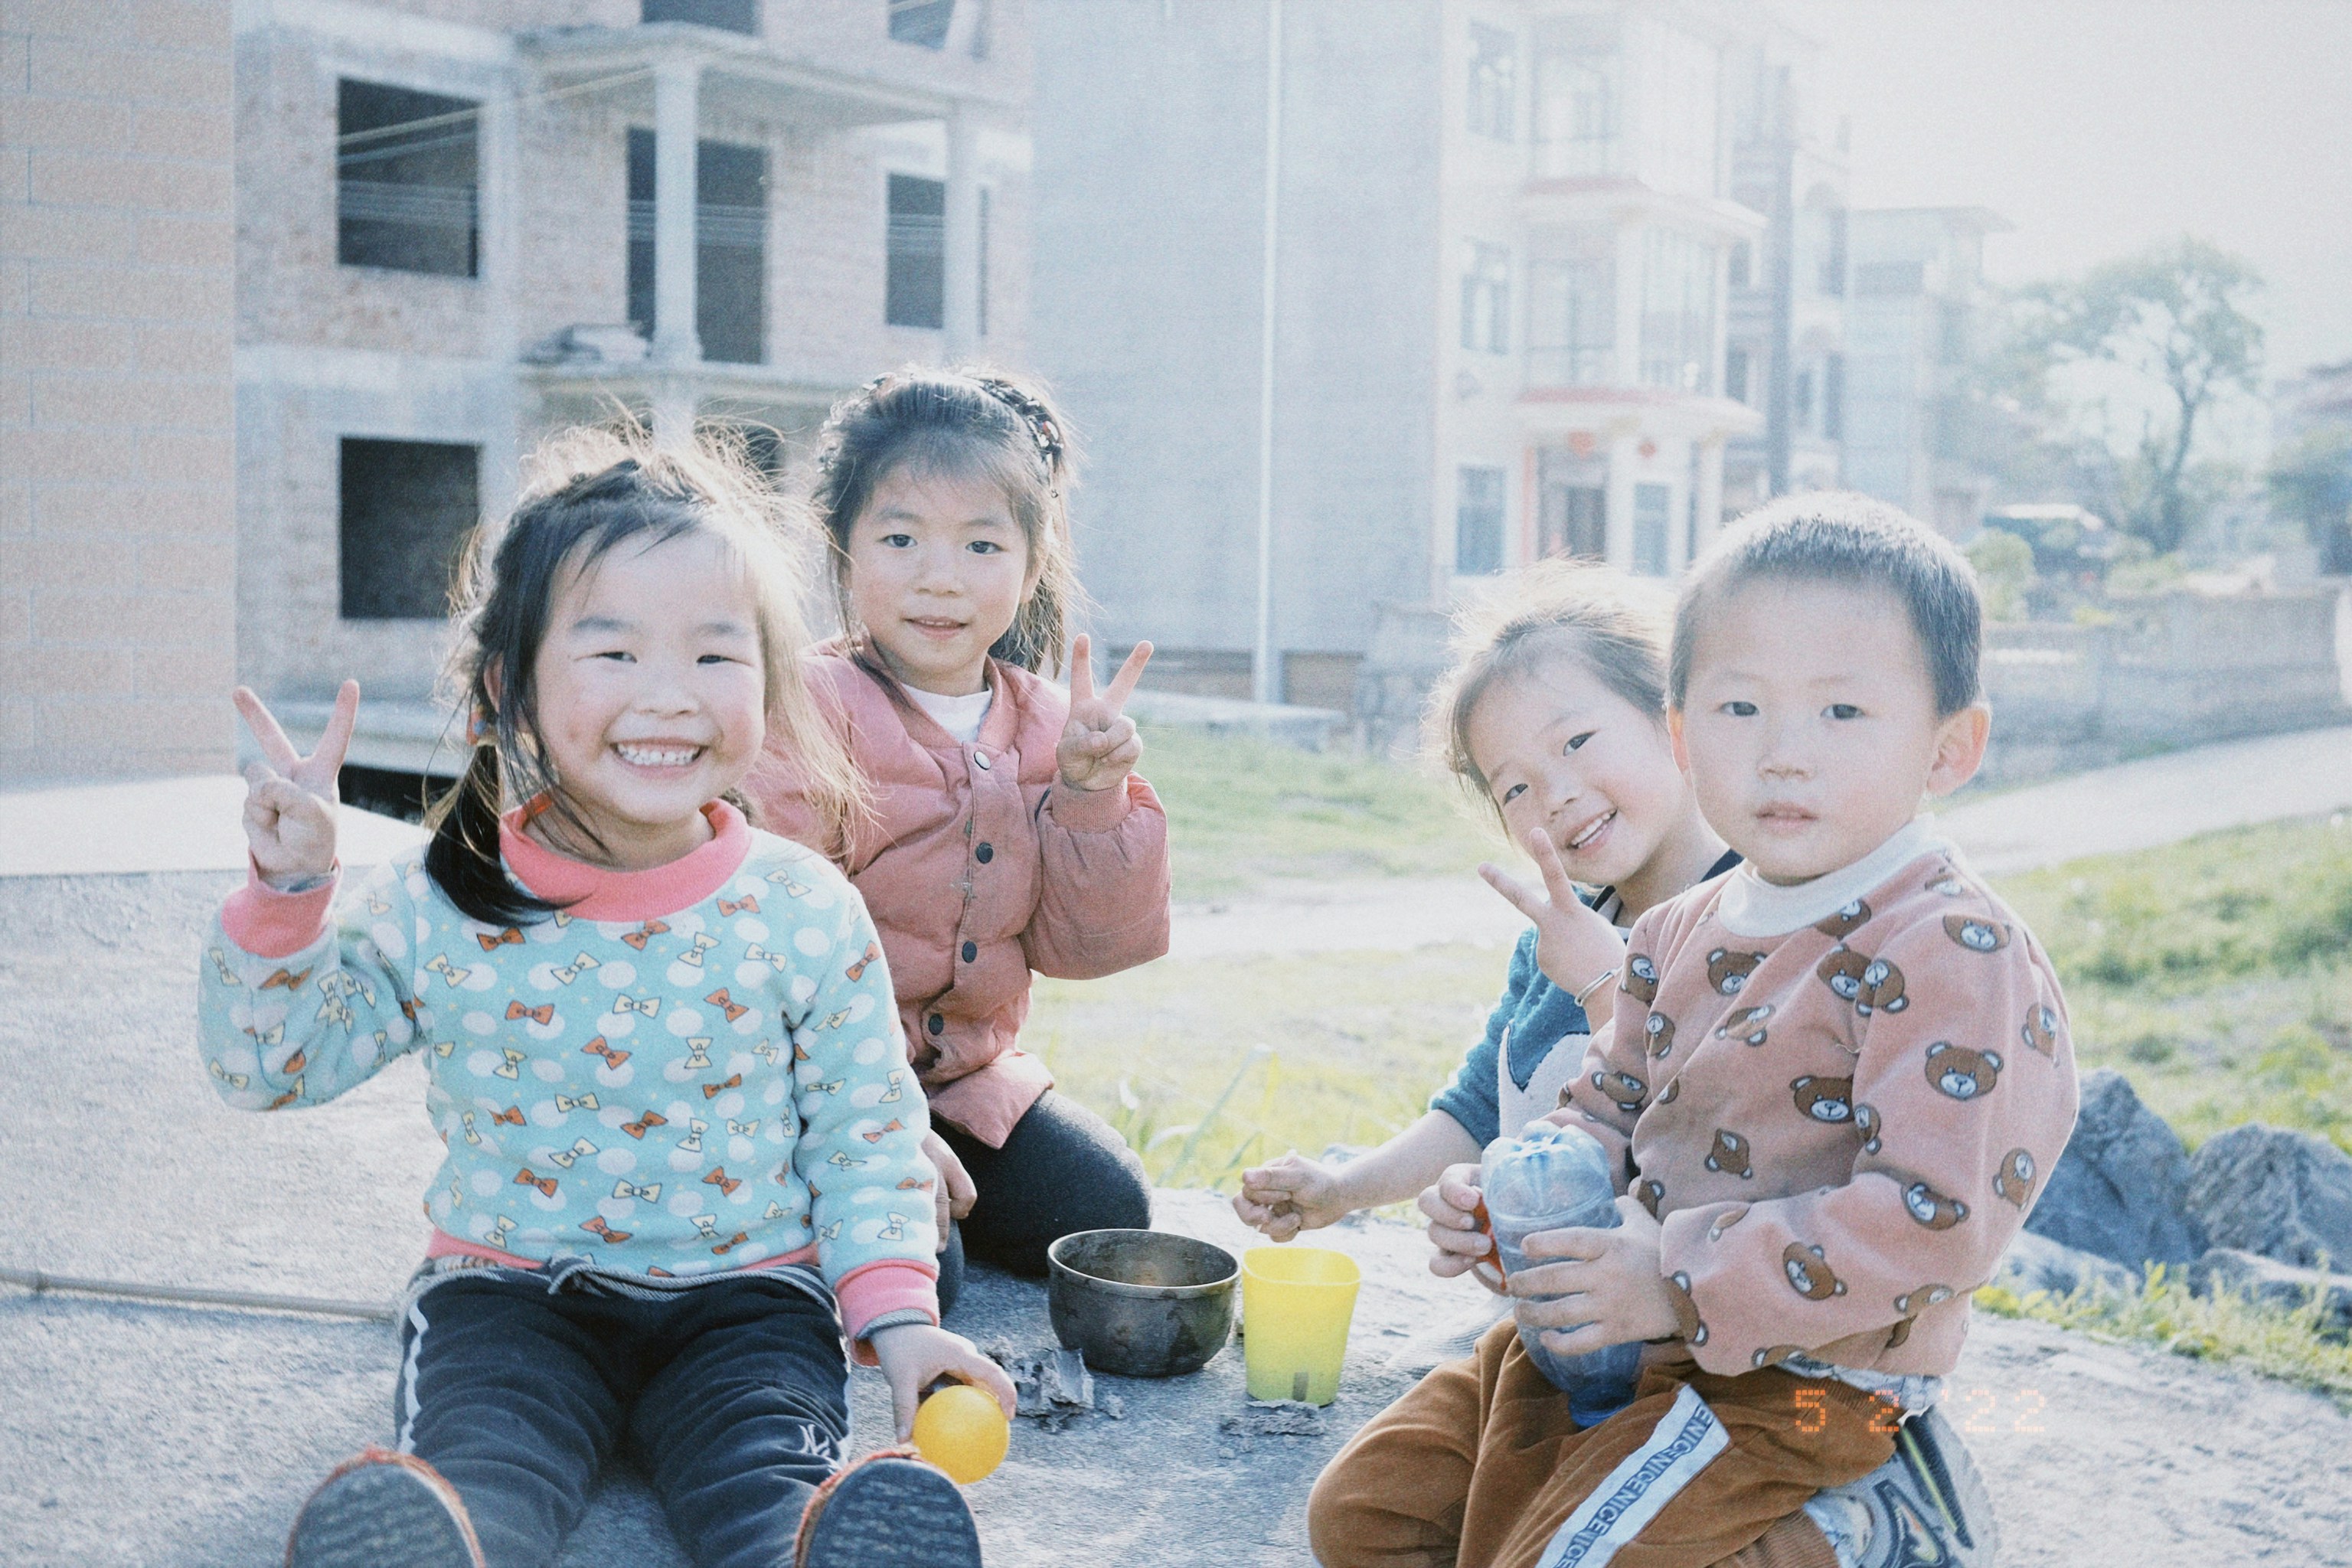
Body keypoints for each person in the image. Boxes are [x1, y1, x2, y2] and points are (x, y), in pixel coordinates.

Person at [198, 430, 1015, 1568]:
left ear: (770, 686)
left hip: (751, 1298)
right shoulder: (450, 896)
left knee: (769, 1467)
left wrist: (905, 1325)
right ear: (510, 686)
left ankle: (819, 1554)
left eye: (714, 657)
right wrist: (288, 899)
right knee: (483, 1460)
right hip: (512, 1294)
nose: (669, 698)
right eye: (614, 652)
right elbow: (270, 1065)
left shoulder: (801, 907)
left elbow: (866, 1133)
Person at [1308, 495, 2081, 1568]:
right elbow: (1607, 1107)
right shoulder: (1676, 929)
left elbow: (1936, 1217)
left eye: (1842, 714)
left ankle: (1864, 1529)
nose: (1783, 756)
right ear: (1683, 734)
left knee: (1560, 1558)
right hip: (1619, 1337)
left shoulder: (1950, 948)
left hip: (1810, 1385)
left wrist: (1674, 1280)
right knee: (1368, 1520)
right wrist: (1522, 1199)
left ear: (1950, 748)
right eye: (1739, 710)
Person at [746, 368, 1169, 1315]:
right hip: (817, 1090)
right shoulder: (805, 710)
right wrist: (876, 1123)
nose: (941, 577)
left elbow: (1083, 947)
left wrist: (1090, 796)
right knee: (925, 1274)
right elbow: (769, 950)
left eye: (982, 544)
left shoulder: (1050, 721)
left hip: (969, 1087)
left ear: (1030, 563)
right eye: (900, 539)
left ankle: (925, 1192)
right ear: (842, 548)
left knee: (1109, 1209)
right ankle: (816, 1201)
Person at [1233, 560, 1734, 1245]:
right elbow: (1475, 1117)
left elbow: (1711, 1145)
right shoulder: (1551, 942)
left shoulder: (1755, 925)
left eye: (1576, 741)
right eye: (1515, 789)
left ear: (1672, 717)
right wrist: (1344, 1190)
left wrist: (1602, 984)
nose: (1555, 794)